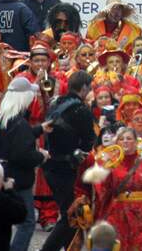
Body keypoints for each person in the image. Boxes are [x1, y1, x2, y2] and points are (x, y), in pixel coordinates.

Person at [0, 77, 53, 251]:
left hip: (4, 173)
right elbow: (21, 154)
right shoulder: (20, 123)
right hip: (18, 178)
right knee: (27, 222)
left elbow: (13, 142)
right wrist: (41, 156)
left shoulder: (3, 118)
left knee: (6, 220)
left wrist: (39, 129)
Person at [41, 71, 96, 251]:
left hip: (50, 165)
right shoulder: (81, 110)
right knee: (71, 216)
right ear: (84, 88)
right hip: (66, 169)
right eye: (90, 88)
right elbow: (89, 142)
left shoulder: (56, 102)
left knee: (69, 214)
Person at [84, 126, 142, 250]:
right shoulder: (110, 165)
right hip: (118, 215)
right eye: (121, 139)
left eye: (129, 138)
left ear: (136, 142)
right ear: (117, 143)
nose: (125, 141)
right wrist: (104, 171)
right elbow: (104, 191)